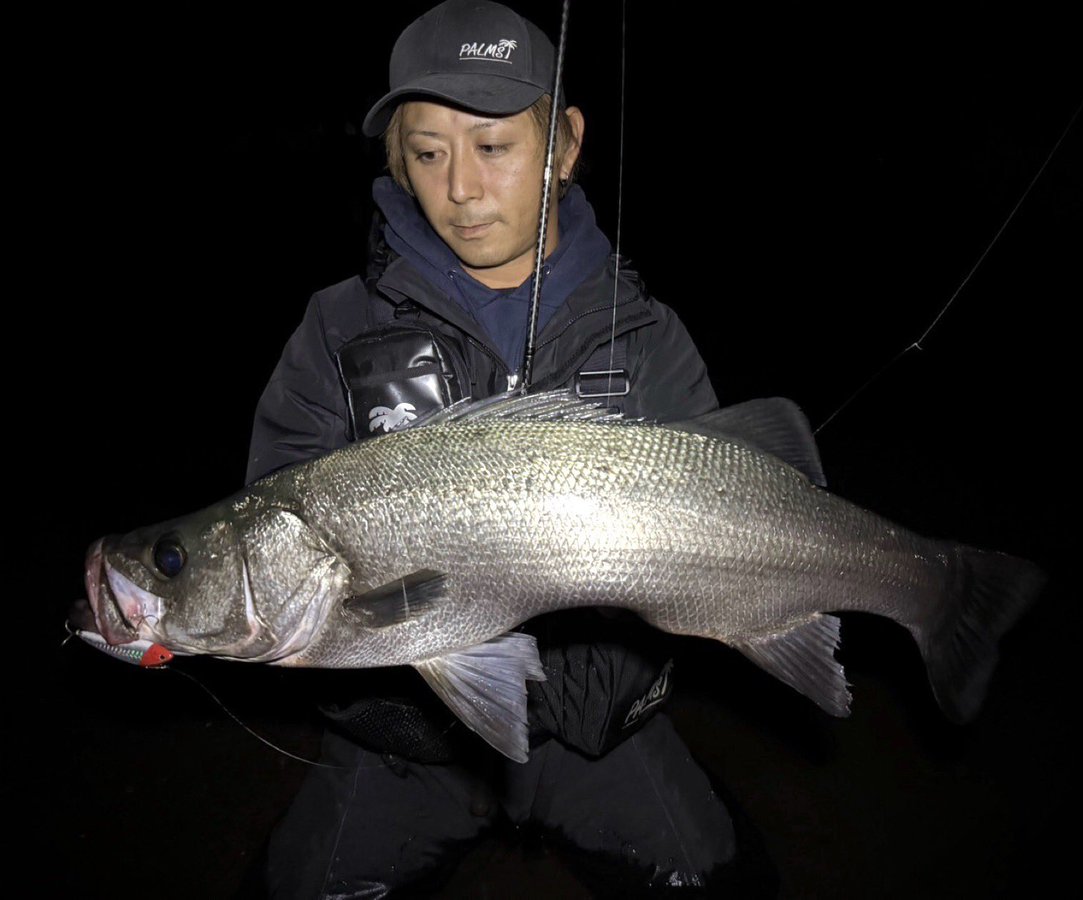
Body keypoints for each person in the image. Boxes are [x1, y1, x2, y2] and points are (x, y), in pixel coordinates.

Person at [246, 2, 771, 895]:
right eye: (428, 152)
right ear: (397, 165)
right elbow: (275, 538)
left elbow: (726, 544)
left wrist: (588, 691)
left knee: (719, 880)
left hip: (598, 734)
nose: (460, 187)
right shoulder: (336, 329)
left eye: (494, 146)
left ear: (563, 146)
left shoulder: (645, 335)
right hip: (408, 745)